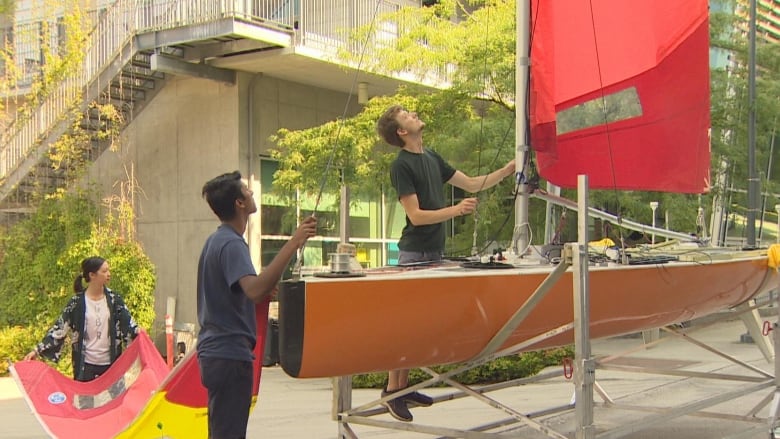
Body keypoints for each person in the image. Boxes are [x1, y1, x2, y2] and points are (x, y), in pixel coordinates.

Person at [375, 105, 516, 422]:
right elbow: (416, 216)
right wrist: (456, 211)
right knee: (406, 326)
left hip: (433, 253)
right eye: (407, 116)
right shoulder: (402, 166)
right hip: (415, 254)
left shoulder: (432, 157)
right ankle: (390, 392)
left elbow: (472, 184)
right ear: (401, 131)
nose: (414, 115)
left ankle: (402, 388)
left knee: (419, 325)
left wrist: (507, 171)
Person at [197, 170, 317, 439]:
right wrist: (295, 241)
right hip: (229, 356)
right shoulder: (230, 243)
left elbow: (244, 291)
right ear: (239, 203)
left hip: (217, 354)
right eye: (247, 191)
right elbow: (254, 289)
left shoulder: (216, 241)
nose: (251, 194)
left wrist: (260, 291)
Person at [24, 256, 140, 382]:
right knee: (86, 401)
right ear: (92, 275)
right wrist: (37, 350)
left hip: (111, 365)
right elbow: (60, 328)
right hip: (85, 366)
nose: (109, 274)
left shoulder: (114, 300)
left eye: (108, 270)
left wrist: (139, 332)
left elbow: (129, 324)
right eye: (104, 271)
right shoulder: (76, 302)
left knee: (113, 402)